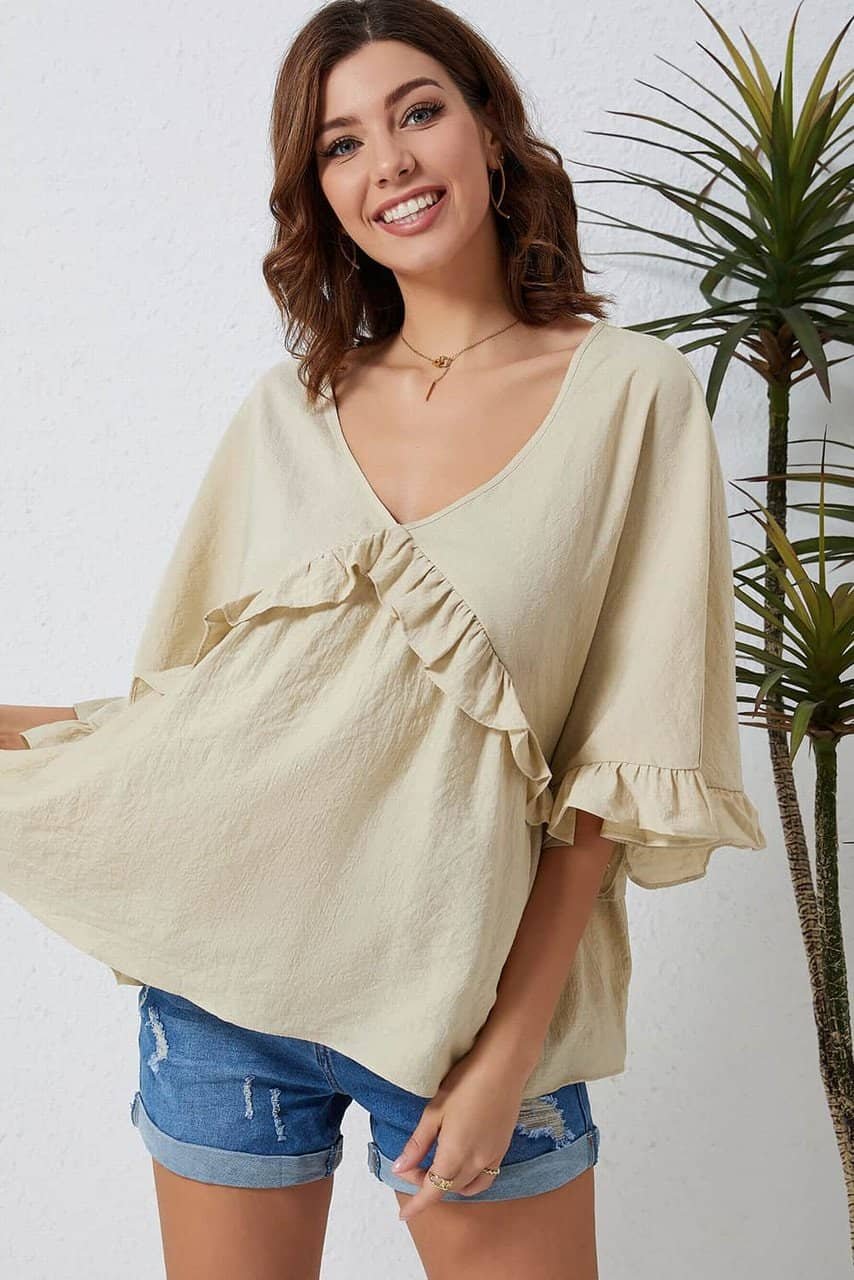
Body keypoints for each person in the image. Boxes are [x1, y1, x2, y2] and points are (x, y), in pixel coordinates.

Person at [0, 2, 766, 1276]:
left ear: (487, 129)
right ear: (319, 191)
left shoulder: (630, 395)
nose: (390, 162)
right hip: (223, 998)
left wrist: (506, 1053)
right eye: (341, 143)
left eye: (417, 112)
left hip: (471, 1008)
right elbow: (205, 720)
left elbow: (612, 768)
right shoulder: (286, 411)